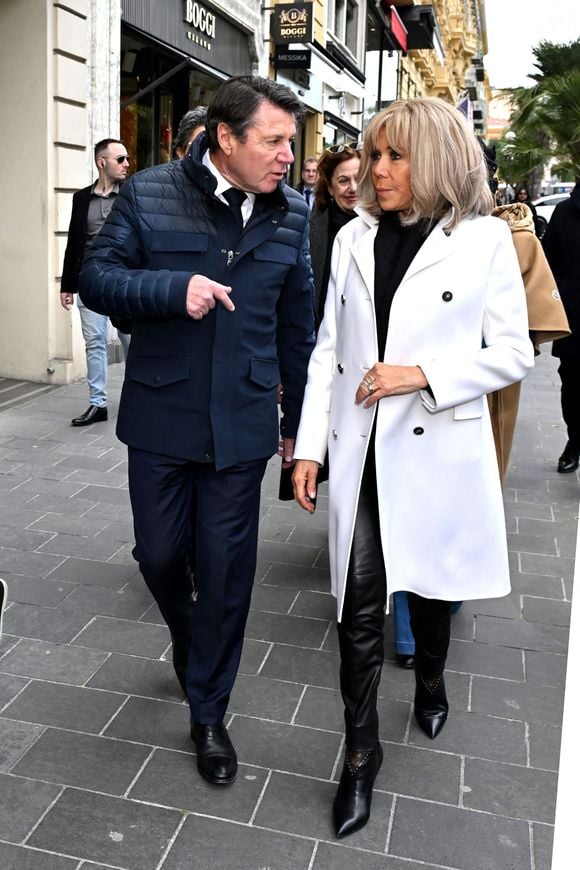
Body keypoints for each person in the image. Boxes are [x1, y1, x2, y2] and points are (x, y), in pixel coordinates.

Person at [292, 97, 534, 838]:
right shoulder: (354, 237)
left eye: (394, 155)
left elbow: (514, 353)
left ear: (433, 159)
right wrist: (308, 445)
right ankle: (360, 754)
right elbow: (330, 347)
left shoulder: (486, 240)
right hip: (362, 448)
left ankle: (431, 676)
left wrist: (420, 372)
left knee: (429, 592)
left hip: (436, 450)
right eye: (372, 154)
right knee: (357, 609)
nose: (376, 170)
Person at [79, 76, 315, 787]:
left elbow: (297, 328)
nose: (285, 156)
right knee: (158, 556)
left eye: (289, 142)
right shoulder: (149, 194)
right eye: (273, 141)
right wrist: (170, 291)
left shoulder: (293, 215)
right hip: (161, 419)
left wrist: (299, 428)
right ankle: (191, 644)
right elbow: (97, 279)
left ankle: (209, 710)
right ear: (226, 139)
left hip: (243, 429)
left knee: (226, 574)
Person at [61, 138, 131, 426]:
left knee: (133, 343)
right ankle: (97, 404)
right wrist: (67, 285)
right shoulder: (81, 199)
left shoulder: (131, 194)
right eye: (120, 159)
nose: (127, 164)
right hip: (90, 281)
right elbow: (73, 244)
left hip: (124, 281)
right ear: (102, 162)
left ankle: (137, 398)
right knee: (95, 343)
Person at [542, 182, 580, 472]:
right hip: (574, 316)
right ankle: (574, 442)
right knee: (573, 386)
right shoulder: (565, 212)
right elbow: (548, 262)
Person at [309, 144, 361, 327]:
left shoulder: (384, 227)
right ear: (330, 187)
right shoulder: (310, 230)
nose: (353, 188)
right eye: (343, 180)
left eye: (359, 178)